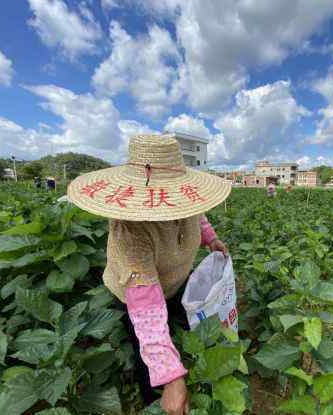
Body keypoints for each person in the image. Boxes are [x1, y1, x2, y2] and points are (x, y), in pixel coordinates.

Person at [67, 135, 231, 415]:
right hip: (136, 295)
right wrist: (170, 378)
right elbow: (146, 307)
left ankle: (176, 366)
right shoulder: (130, 230)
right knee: (146, 348)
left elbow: (197, 215)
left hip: (174, 282)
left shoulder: (185, 201)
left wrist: (210, 239)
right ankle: (152, 399)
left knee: (182, 325)